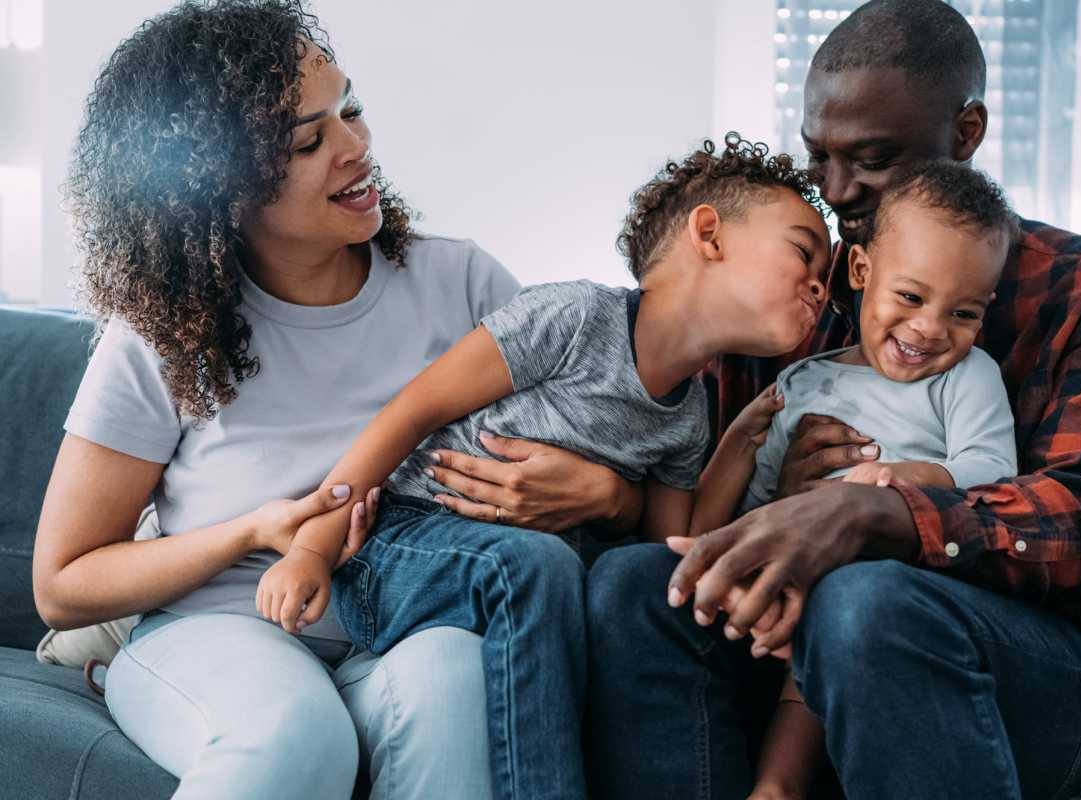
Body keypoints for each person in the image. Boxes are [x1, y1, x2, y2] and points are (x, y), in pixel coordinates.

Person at [31, 2, 640, 798]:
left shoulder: (462, 283)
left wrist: (611, 498)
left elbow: (616, 460)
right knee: (296, 729)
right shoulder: (163, 335)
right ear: (220, 191)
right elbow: (64, 583)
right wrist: (252, 530)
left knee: (458, 680)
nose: (356, 147)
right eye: (307, 142)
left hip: (405, 629)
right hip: (215, 632)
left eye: (349, 110)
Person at [586, 1, 1081, 799]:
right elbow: (688, 461)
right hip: (798, 633)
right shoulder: (795, 293)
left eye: (872, 159)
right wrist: (635, 493)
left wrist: (878, 513)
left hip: (1045, 664)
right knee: (634, 585)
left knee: (865, 602)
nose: (838, 193)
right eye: (819, 158)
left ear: (965, 132)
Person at [252, 134, 831, 800]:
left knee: (561, 572)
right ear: (709, 235)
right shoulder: (575, 317)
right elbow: (411, 412)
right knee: (537, 565)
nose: (819, 283)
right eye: (803, 251)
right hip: (398, 547)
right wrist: (314, 546)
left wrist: (740, 443)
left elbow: (670, 550)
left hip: (518, 582)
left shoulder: (689, 414)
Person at [677, 159, 1018, 800]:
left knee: (842, 606)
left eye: (964, 313)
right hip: (797, 570)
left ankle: (778, 783)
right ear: (861, 271)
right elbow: (756, 505)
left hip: (899, 578)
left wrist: (900, 477)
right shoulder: (804, 382)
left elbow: (994, 470)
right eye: (910, 298)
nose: (930, 328)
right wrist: (737, 463)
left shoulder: (967, 376)